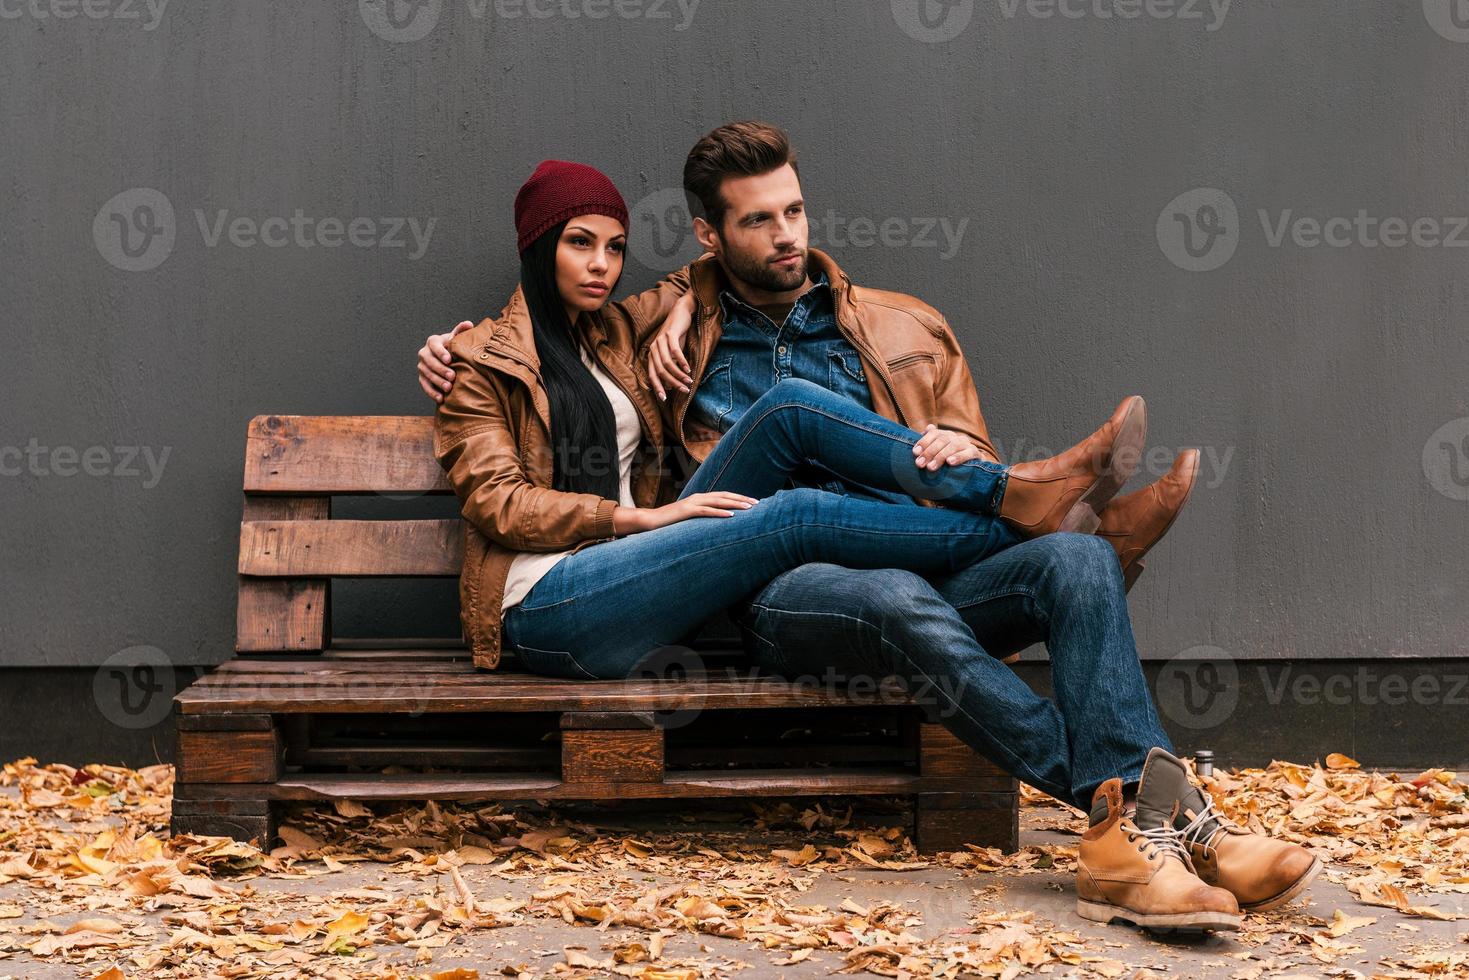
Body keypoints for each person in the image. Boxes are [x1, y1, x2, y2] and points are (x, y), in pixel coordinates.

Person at [423, 127, 1320, 933]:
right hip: (783, 585)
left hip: (904, 541)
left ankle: (1151, 828)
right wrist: (479, 346)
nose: (785, 236)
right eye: (758, 221)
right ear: (708, 236)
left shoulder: (901, 324)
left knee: (1078, 561)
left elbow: (956, 430)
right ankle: (1138, 802)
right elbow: (526, 381)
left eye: (795, 211)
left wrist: (959, 449)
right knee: (818, 480)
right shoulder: (645, 320)